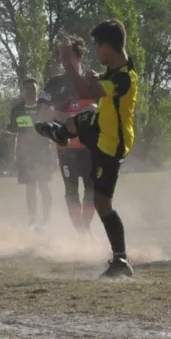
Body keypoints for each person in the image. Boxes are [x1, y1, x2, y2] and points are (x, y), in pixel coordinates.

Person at [34, 20, 139, 279]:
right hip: (101, 127)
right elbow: (99, 83)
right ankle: (60, 133)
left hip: (111, 143)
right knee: (83, 116)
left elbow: (83, 91)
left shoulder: (123, 78)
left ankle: (121, 260)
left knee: (102, 203)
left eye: (98, 46)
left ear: (108, 47)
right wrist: (97, 77)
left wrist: (67, 62)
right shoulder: (118, 68)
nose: (96, 52)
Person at [41, 36, 98, 234]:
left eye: (68, 56)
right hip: (66, 148)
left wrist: (90, 111)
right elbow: (44, 111)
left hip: (91, 147)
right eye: (61, 56)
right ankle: (80, 232)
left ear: (80, 57)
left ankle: (86, 227)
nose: (63, 60)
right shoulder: (54, 84)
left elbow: (101, 109)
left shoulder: (91, 80)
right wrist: (66, 117)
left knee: (92, 190)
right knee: (71, 191)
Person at [7, 77, 53, 229]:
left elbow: (53, 131)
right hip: (25, 154)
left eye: (33, 88)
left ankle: (46, 220)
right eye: (27, 89)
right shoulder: (17, 109)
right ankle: (32, 220)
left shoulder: (44, 108)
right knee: (30, 188)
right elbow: (13, 133)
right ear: (23, 91)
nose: (30, 91)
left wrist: (55, 155)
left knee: (44, 186)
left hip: (43, 153)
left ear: (38, 90)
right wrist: (14, 155)